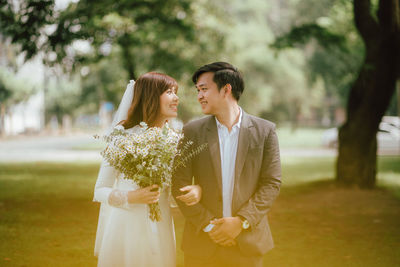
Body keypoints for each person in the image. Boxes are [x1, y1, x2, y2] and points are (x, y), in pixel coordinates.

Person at [172, 62, 282, 267]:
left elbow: (271, 183)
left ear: (226, 89)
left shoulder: (265, 131)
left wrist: (241, 222)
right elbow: (179, 183)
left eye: (204, 89)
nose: (199, 96)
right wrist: (209, 226)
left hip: (247, 244)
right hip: (201, 246)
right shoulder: (192, 131)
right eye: (198, 90)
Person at [93, 72, 202, 267]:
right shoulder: (122, 138)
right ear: (151, 96)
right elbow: (99, 190)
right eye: (169, 92)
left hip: (162, 226)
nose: (176, 97)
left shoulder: (176, 141)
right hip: (126, 227)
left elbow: (177, 190)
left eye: (175, 92)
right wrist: (131, 197)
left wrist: (195, 190)